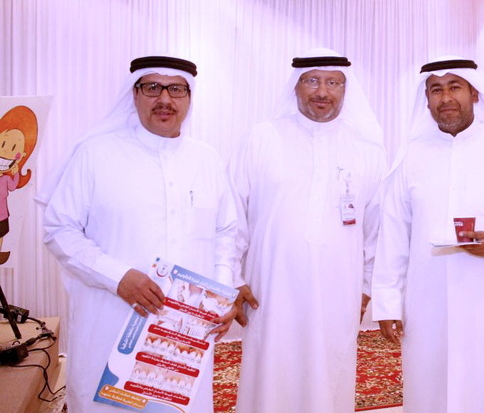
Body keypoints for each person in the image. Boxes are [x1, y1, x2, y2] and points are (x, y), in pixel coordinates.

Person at [41, 56, 239, 413]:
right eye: (152, 88)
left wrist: (221, 293)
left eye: (176, 89)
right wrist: (117, 277)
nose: (165, 99)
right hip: (110, 321)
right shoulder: (95, 154)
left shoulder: (207, 159)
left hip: (184, 337)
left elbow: (225, 232)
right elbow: (60, 229)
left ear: (189, 97)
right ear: (135, 94)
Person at [371, 57, 484, 413]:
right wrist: (387, 301)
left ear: (475, 93)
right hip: (427, 303)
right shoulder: (411, 156)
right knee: (431, 388)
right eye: (436, 90)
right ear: (426, 99)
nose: (446, 98)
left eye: (455, 87)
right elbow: (393, 234)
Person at [230, 48, 386, 413]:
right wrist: (231, 278)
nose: (322, 92)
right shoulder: (261, 139)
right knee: (271, 376)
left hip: (339, 290)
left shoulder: (367, 150)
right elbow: (232, 215)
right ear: (296, 86)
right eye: (312, 81)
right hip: (270, 288)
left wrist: (366, 287)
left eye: (333, 83)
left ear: (346, 89)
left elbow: (378, 228)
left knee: (329, 376)